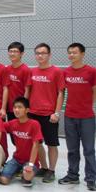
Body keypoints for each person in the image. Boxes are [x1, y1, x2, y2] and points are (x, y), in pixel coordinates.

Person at [59, 43, 96, 190]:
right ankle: (73, 175)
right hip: (69, 116)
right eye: (69, 53)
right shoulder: (66, 72)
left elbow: (94, 91)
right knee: (72, 149)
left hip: (87, 116)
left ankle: (91, 178)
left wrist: (87, 105)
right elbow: (62, 92)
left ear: (82, 54)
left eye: (74, 52)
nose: (71, 55)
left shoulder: (91, 71)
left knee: (89, 149)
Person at [27, 43, 65, 183]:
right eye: (37, 53)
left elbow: (61, 93)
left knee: (52, 144)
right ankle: (43, 167)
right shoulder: (33, 71)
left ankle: (52, 170)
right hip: (33, 113)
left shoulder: (57, 72)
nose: (40, 55)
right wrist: (26, 109)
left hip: (49, 114)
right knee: (37, 142)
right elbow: (28, 91)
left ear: (49, 54)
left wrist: (57, 112)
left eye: (43, 53)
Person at [0, 97, 43, 187]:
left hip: (30, 161)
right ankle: (17, 170)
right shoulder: (12, 123)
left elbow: (36, 145)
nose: (16, 110)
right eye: (15, 107)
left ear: (27, 110)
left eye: (20, 107)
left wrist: (30, 165)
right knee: (4, 180)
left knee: (27, 178)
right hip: (16, 159)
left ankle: (23, 171)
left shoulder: (34, 124)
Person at [5, 42, 31, 145]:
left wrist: (23, 109)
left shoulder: (26, 70)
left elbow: (27, 90)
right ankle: (18, 158)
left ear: (22, 53)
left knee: (23, 137)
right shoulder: (7, 69)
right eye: (10, 51)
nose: (12, 53)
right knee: (14, 137)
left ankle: (27, 159)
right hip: (10, 109)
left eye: (15, 51)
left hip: (20, 109)